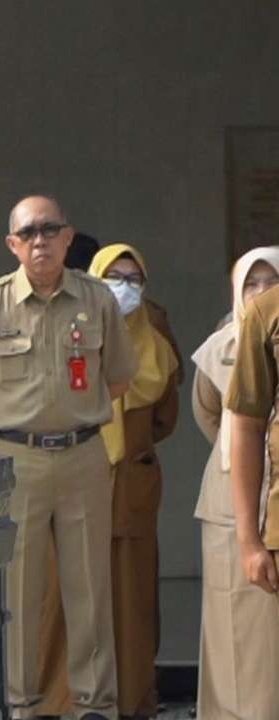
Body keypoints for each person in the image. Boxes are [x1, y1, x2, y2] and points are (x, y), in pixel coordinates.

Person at [0, 195, 135, 720]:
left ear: (69, 236)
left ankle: (96, 705)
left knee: (90, 586)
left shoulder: (96, 300)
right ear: (12, 244)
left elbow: (119, 377)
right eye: (28, 233)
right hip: (15, 458)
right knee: (18, 589)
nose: (40, 241)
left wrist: (76, 410)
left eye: (50, 230)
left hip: (82, 453)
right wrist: (9, 416)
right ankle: (20, 705)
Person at [35, 243, 180, 719]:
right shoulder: (69, 333)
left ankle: (131, 703)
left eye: (134, 279)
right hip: (69, 484)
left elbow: (165, 420)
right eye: (113, 277)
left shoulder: (156, 346)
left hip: (129, 494)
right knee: (64, 601)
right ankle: (61, 704)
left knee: (130, 603)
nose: (124, 287)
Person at [192, 247, 279, 718]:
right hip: (230, 505)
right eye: (252, 283)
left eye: (272, 281)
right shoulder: (219, 347)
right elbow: (211, 415)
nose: (263, 292)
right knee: (234, 633)